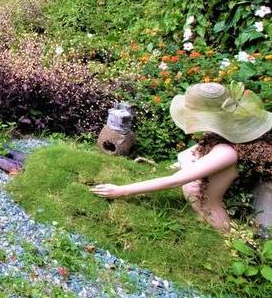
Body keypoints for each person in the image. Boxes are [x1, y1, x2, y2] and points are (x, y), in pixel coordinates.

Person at [91, 82, 271, 231]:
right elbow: (188, 160)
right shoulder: (216, 140)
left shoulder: (226, 152)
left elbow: (175, 181)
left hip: (212, 219)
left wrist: (120, 191)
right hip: (194, 206)